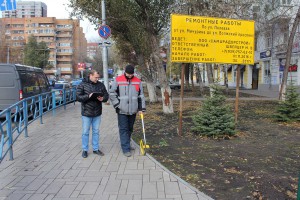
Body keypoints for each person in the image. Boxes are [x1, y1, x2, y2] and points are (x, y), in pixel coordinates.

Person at [109, 65, 146, 157]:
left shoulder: (138, 81)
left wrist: (141, 109)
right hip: (122, 110)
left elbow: (141, 96)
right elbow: (112, 93)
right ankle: (126, 149)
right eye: (128, 74)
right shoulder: (118, 79)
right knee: (123, 129)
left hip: (133, 110)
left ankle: (128, 143)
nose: (130, 75)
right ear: (125, 72)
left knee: (130, 128)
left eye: (131, 74)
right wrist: (117, 105)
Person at [76, 70, 109, 158]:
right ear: (90, 75)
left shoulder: (100, 85)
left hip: (97, 112)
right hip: (86, 113)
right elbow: (78, 97)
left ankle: (95, 149)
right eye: (96, 77)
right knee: (85, 132)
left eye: (98, 77)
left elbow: (106, 95)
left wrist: (103, 99)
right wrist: (88, 96)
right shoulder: (82, 84)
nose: (97, 79)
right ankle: (85, 150)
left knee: (96, 132)